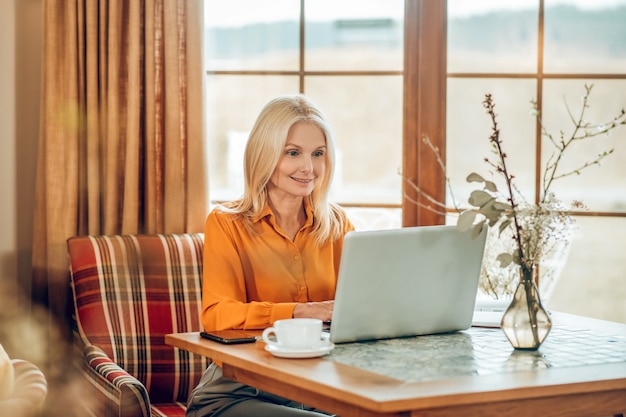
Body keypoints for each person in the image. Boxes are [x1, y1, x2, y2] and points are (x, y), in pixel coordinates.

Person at [186, 94, 354, 417]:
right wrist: (300, 312)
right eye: (293, 153)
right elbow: (217, 314)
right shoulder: (226, 223)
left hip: (317, 391)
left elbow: (360, 309)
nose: (308, 167)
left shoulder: (337, 226)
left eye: (318, 154)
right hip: (237, 395)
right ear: (265, 155)